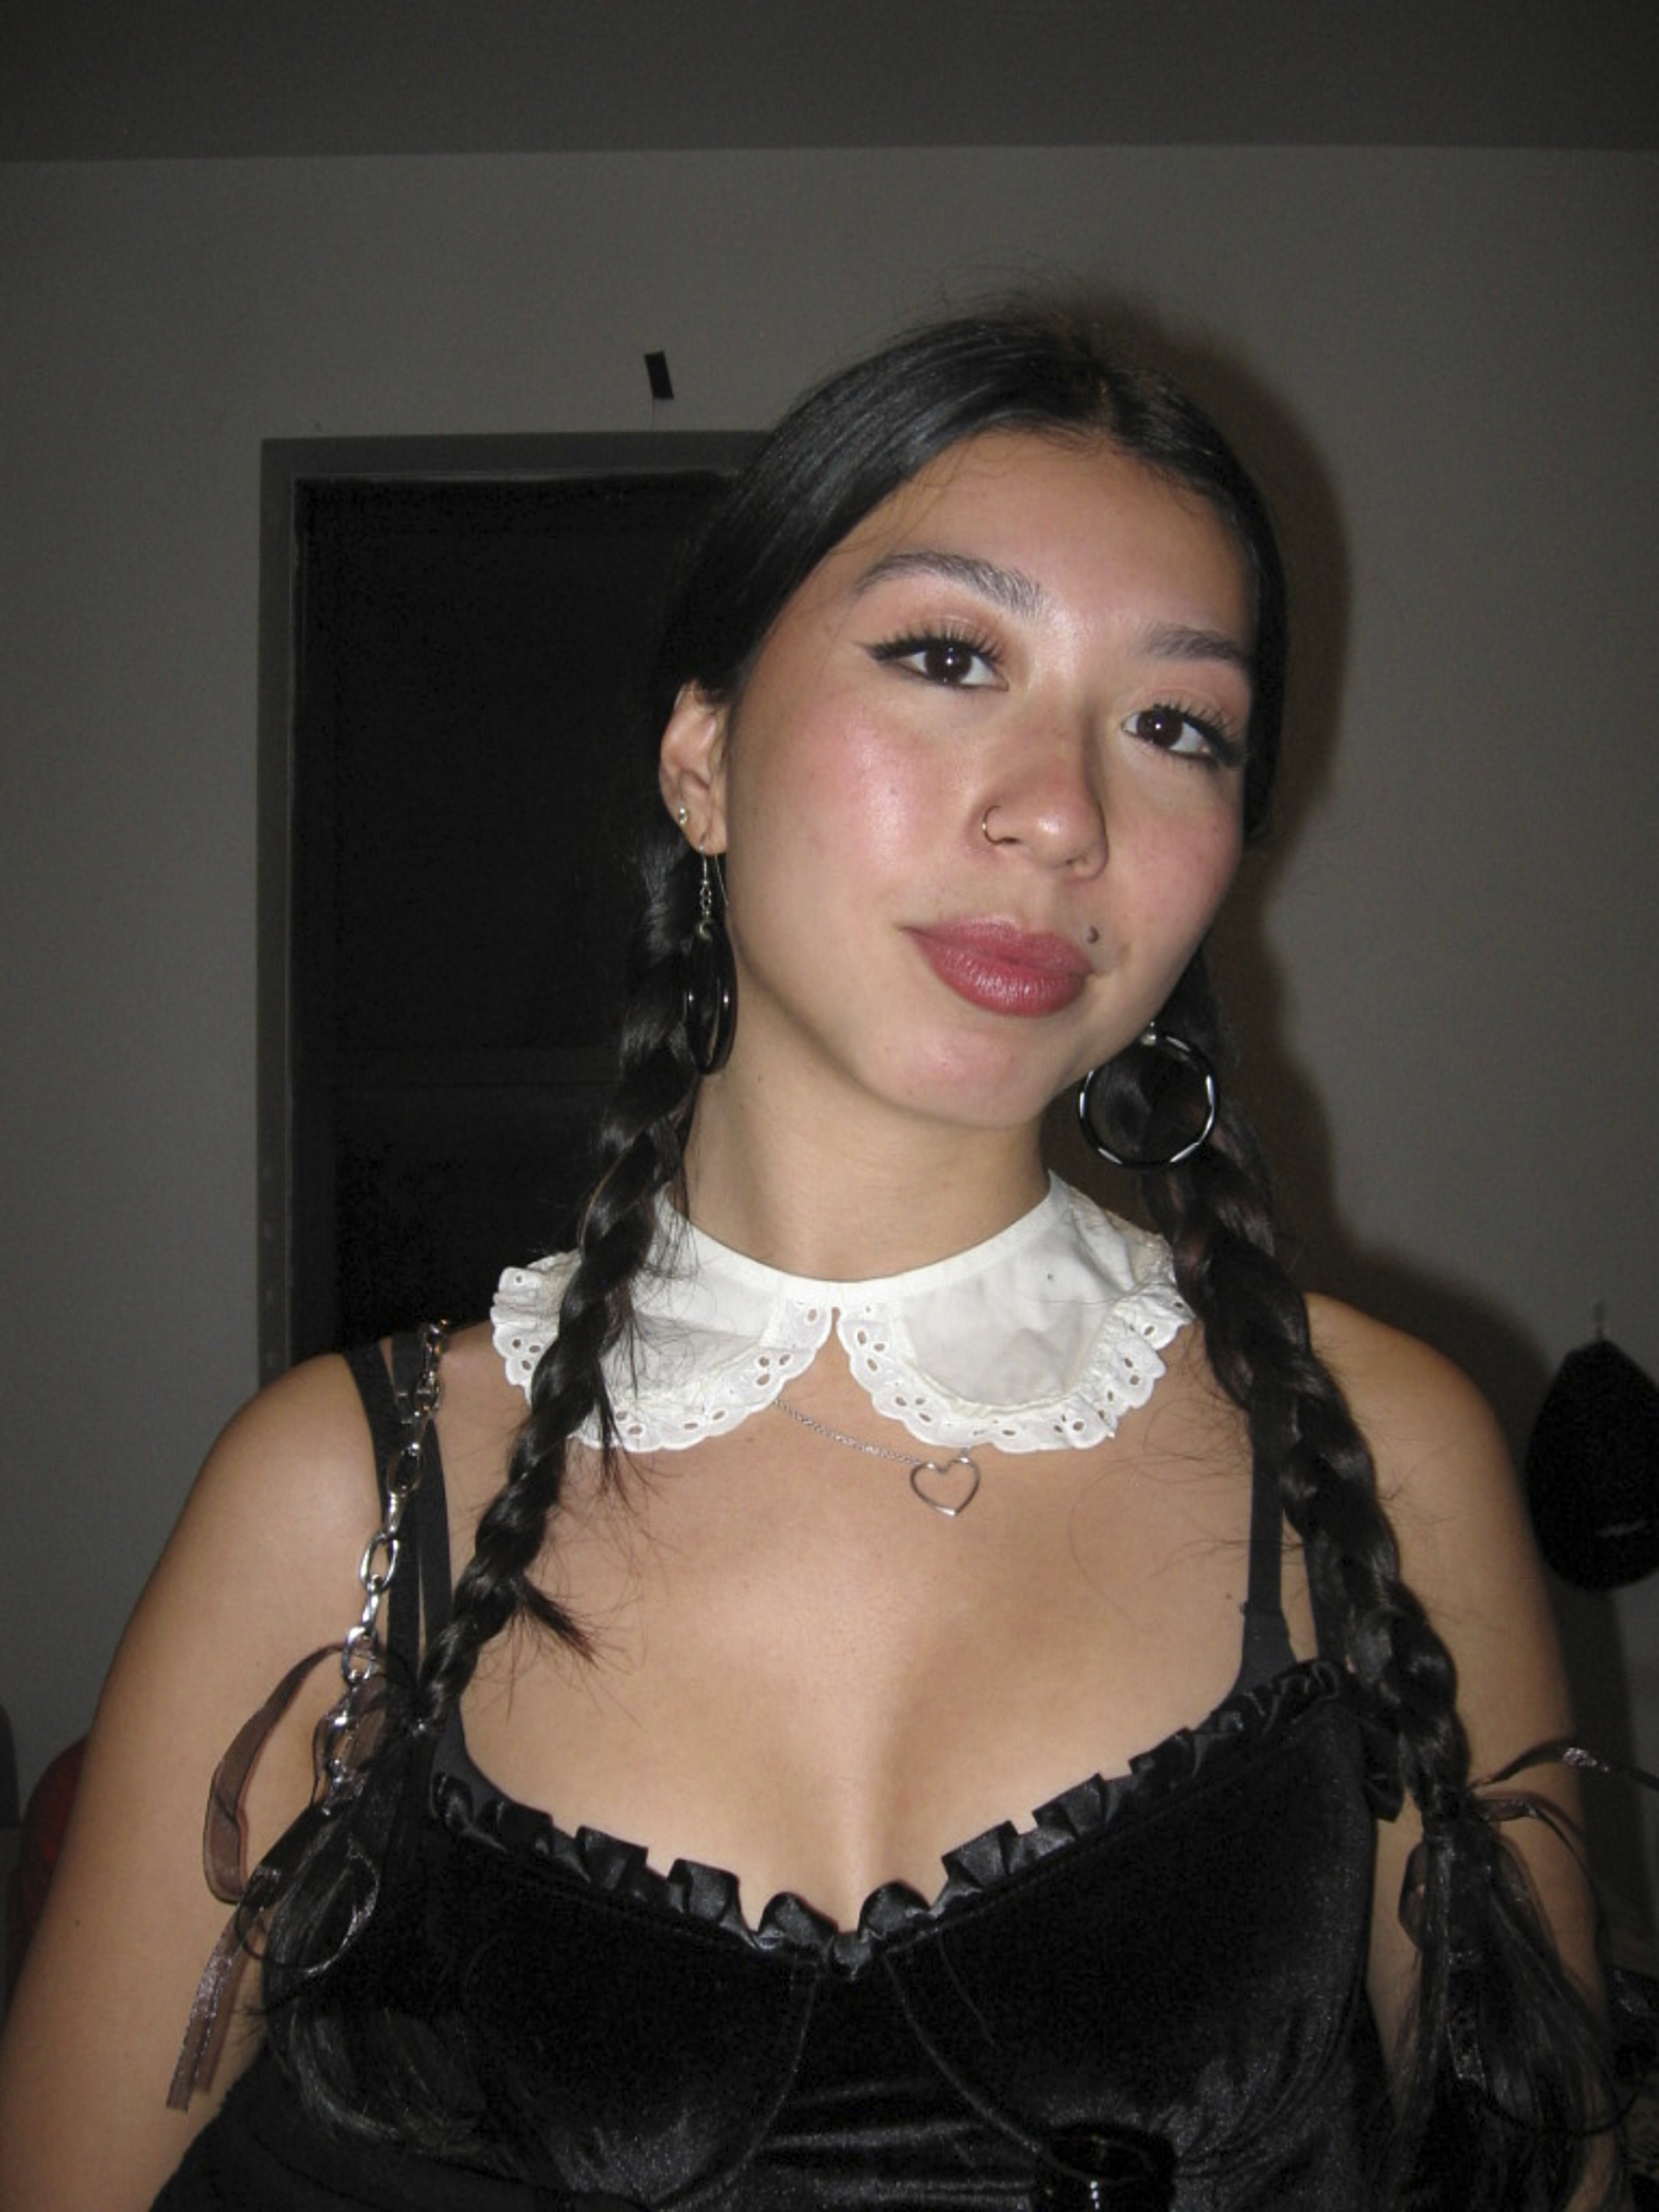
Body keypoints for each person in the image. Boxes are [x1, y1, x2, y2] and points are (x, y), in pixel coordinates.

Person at [0, 307, 1621, 2210]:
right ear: (701, 757)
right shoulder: (343, 1497)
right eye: (949, 657)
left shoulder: (1378, 1454)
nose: (1063, 814)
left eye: (1175, 726)